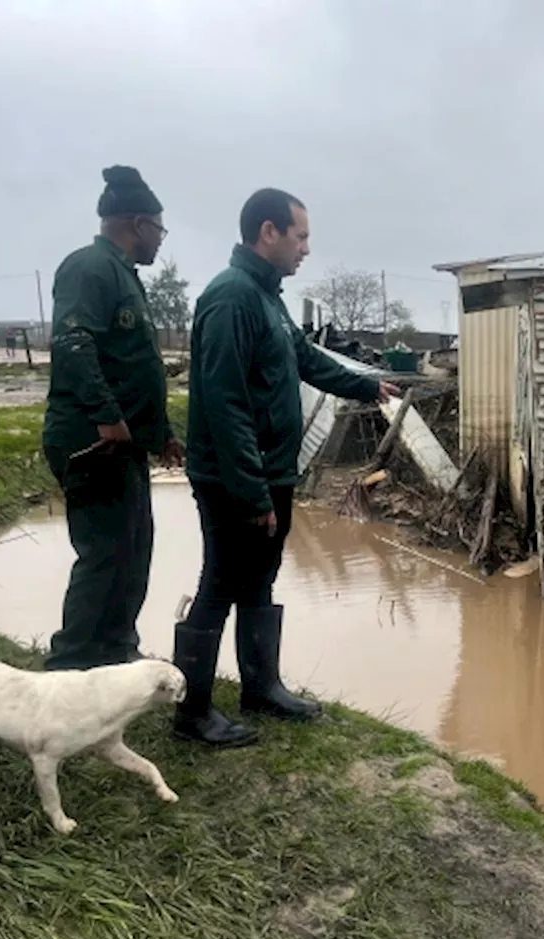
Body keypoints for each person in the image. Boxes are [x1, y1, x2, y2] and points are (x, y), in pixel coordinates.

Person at [174, 188, 399, 747]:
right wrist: (250, 493)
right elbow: (224, 404)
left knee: (260, 578)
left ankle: (260, 687)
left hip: (271, 472)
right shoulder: (230, 299)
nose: (305, 249)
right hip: (234, 478)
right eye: (299, 236)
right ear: (268, 232)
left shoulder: (267, 298)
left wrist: (368, 385)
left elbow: (306, 359)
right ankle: (192, 712)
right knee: (220, 581)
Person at [40, 165, 185, 672]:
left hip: (125, 444)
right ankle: (68, 667)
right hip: (92, 441)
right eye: (160, 230)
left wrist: (160, 431)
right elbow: (74, 342)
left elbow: (134, 363)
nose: (161, 242)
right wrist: (106, 417)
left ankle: (115, 653)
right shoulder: (89, 268)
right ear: (138, 223)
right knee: (104, 556)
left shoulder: (125, 276)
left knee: (132, 550)